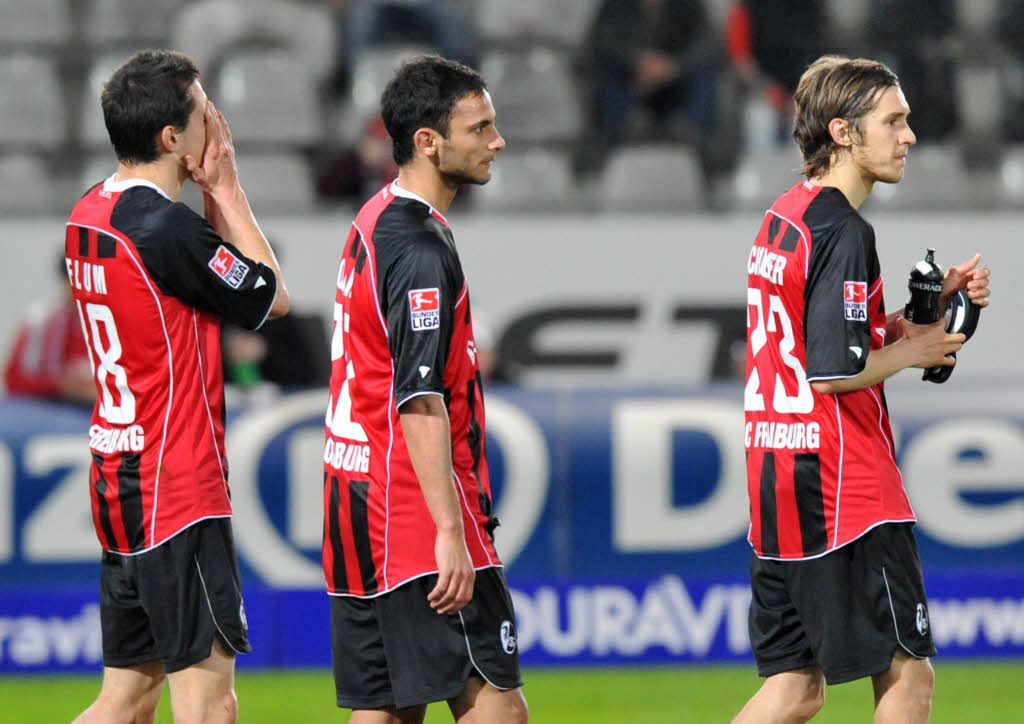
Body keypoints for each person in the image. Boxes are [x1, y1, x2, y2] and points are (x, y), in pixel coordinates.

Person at [734, 55, 991, 723]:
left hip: (776, 473)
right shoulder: (845, 229)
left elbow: (821, 336)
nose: (909, 136)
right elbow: (833, 370)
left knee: (795, 689)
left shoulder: (786, 216)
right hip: (844, 486)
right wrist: (919, 348)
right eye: (895, 121)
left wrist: (910, 319)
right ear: (844, 132)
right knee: (910, 676)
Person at [68, 50, 289, 724]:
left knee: (127, 697)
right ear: (172, 138)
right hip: (178, 485)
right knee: (209, 703)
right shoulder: (165, 229)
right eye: (204, 116)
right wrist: (226, 188)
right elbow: (271, 296)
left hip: (117, 473)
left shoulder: (90, 213)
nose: (214, 127)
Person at [320, 55, 528, 723]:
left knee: (387, 710)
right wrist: (448, 530)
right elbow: (419, 397)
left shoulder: (375, 219)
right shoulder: (419, 249)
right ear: (428, 142)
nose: (496, 141)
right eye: (480, 128)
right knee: (496, 705)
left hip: (353, 492)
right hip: (410, 503)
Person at [4, 255, 94, 405]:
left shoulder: (122, 325)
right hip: (51, 409)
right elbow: (14, 379)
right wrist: (63, 385)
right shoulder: (40, 323)